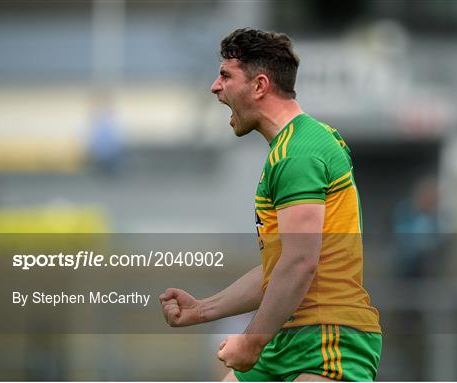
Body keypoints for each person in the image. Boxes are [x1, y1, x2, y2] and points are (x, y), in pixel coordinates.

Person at [159, 28, 382, 382]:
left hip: (327, 337)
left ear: (260, 86)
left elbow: (299, 263)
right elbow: (279, 269)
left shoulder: (299, 152)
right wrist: (202, 310)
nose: (215, 87)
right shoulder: (292, 147)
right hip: (289, 336)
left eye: (226, 76)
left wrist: (250, 342)